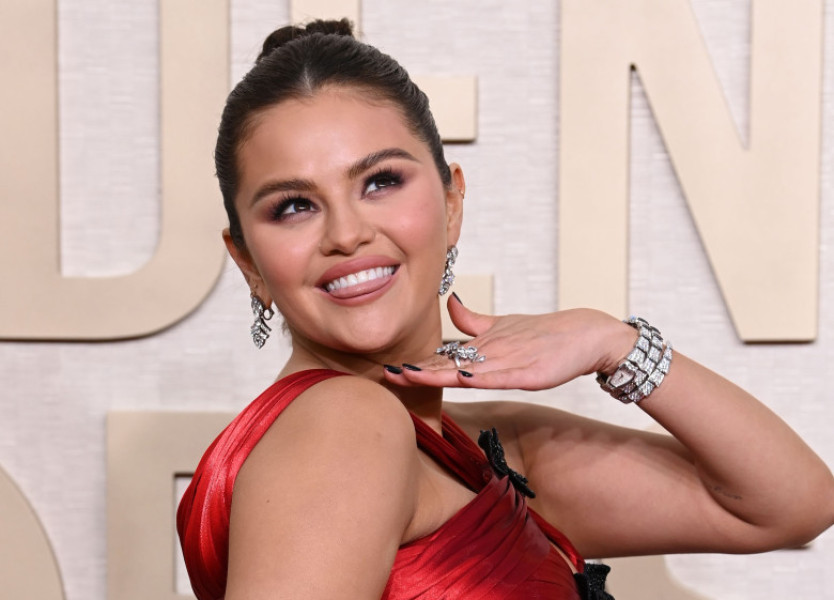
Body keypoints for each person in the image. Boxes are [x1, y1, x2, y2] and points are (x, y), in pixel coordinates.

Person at [176, 19, 834, 600]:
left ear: (452, 202)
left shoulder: (485, 447)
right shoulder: (344, 425)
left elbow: (788, 505)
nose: (345, 234)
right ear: (249, 263)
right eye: (294, 206)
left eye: (380, 182)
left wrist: (615, 343)